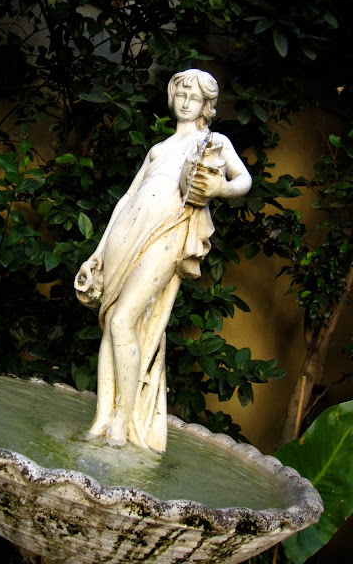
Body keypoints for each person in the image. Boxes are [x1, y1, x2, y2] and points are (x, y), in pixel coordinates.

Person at [75, 69, 252, 452]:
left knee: (122, 320)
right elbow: (127, 197)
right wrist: (98, 251)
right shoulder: (158, 149)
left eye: (195, 97)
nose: (186, 102)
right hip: (126, 235)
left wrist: (221, 187)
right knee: (111, 323)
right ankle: (102, 417)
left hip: (167, 235)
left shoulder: (212, 142)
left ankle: (122, 422)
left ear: (207, 106)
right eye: (181, 94)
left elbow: (244, 180)